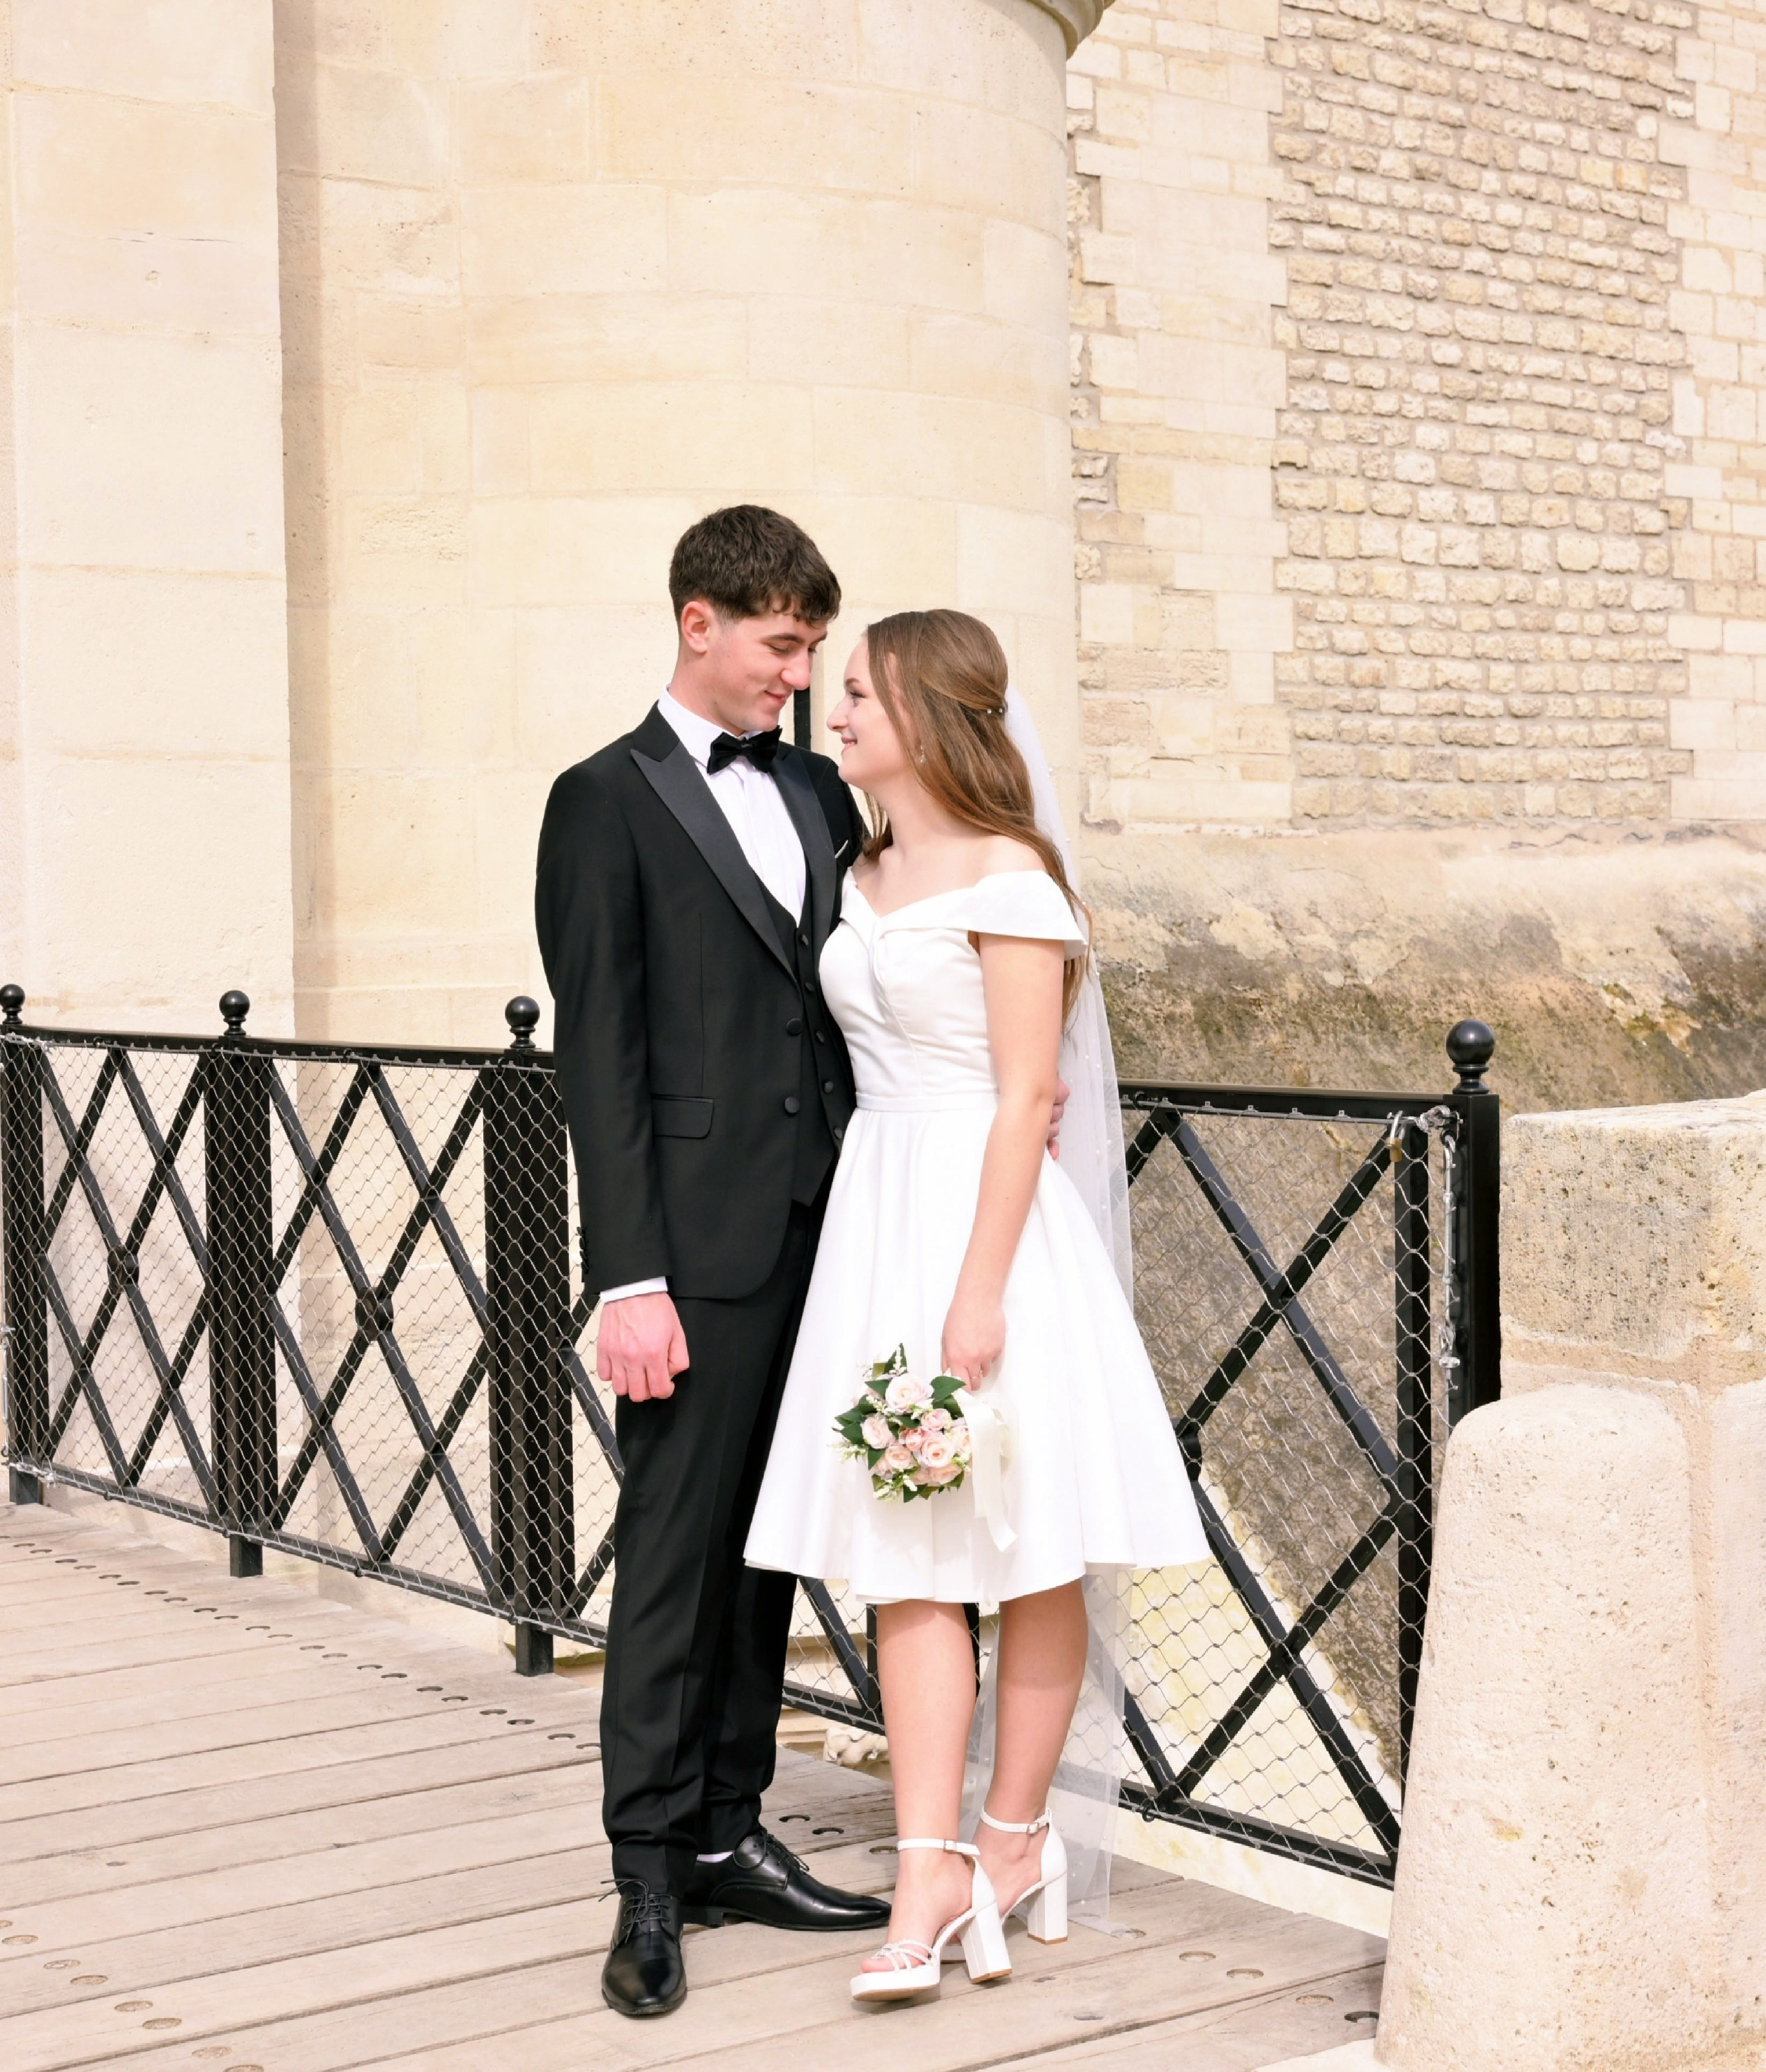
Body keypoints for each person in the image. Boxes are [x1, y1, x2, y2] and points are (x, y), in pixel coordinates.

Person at [745, 609, 1208, 2003]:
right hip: (878, 1210)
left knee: (1034, 1539)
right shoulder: (862, 863)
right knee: (904, 1549)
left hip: (986, 1228)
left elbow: (1025, 1096)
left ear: (925, 711)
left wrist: (978, 1292)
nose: (833, 719)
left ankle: (1012, 1841)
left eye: (857, 697)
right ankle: (925, 1862)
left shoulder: (1013, 877)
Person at [535, 507, 892, 2020]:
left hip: (834, 1229)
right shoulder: (598, 800)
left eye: (812, 647)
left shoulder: (817, 784)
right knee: (676, 1562)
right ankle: (646, 1873)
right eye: (779, 644)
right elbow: (599, 1057)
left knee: (770, 1553)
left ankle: (735, 1827)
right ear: (698, 621)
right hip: (690, 1253)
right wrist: (628, 1280)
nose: (798, 672)